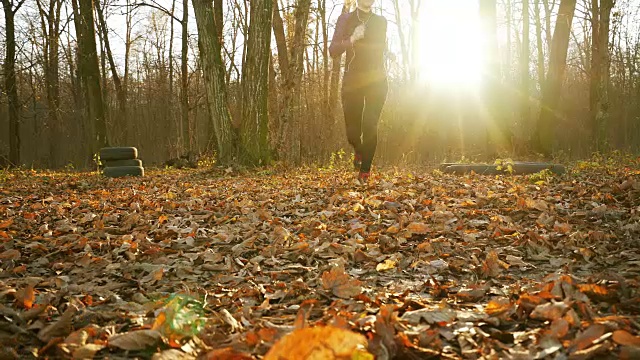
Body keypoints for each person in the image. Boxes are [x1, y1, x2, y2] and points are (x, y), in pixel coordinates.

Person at [330, 0, 388, 183]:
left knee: (370, 125)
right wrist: (352, 39)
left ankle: (364, 172)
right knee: (352, 133)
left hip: (376, 80)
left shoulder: (381, 21)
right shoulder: (345, 19)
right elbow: (333, 51)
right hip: (352, 80)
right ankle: (359, 151)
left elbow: (377, 50)